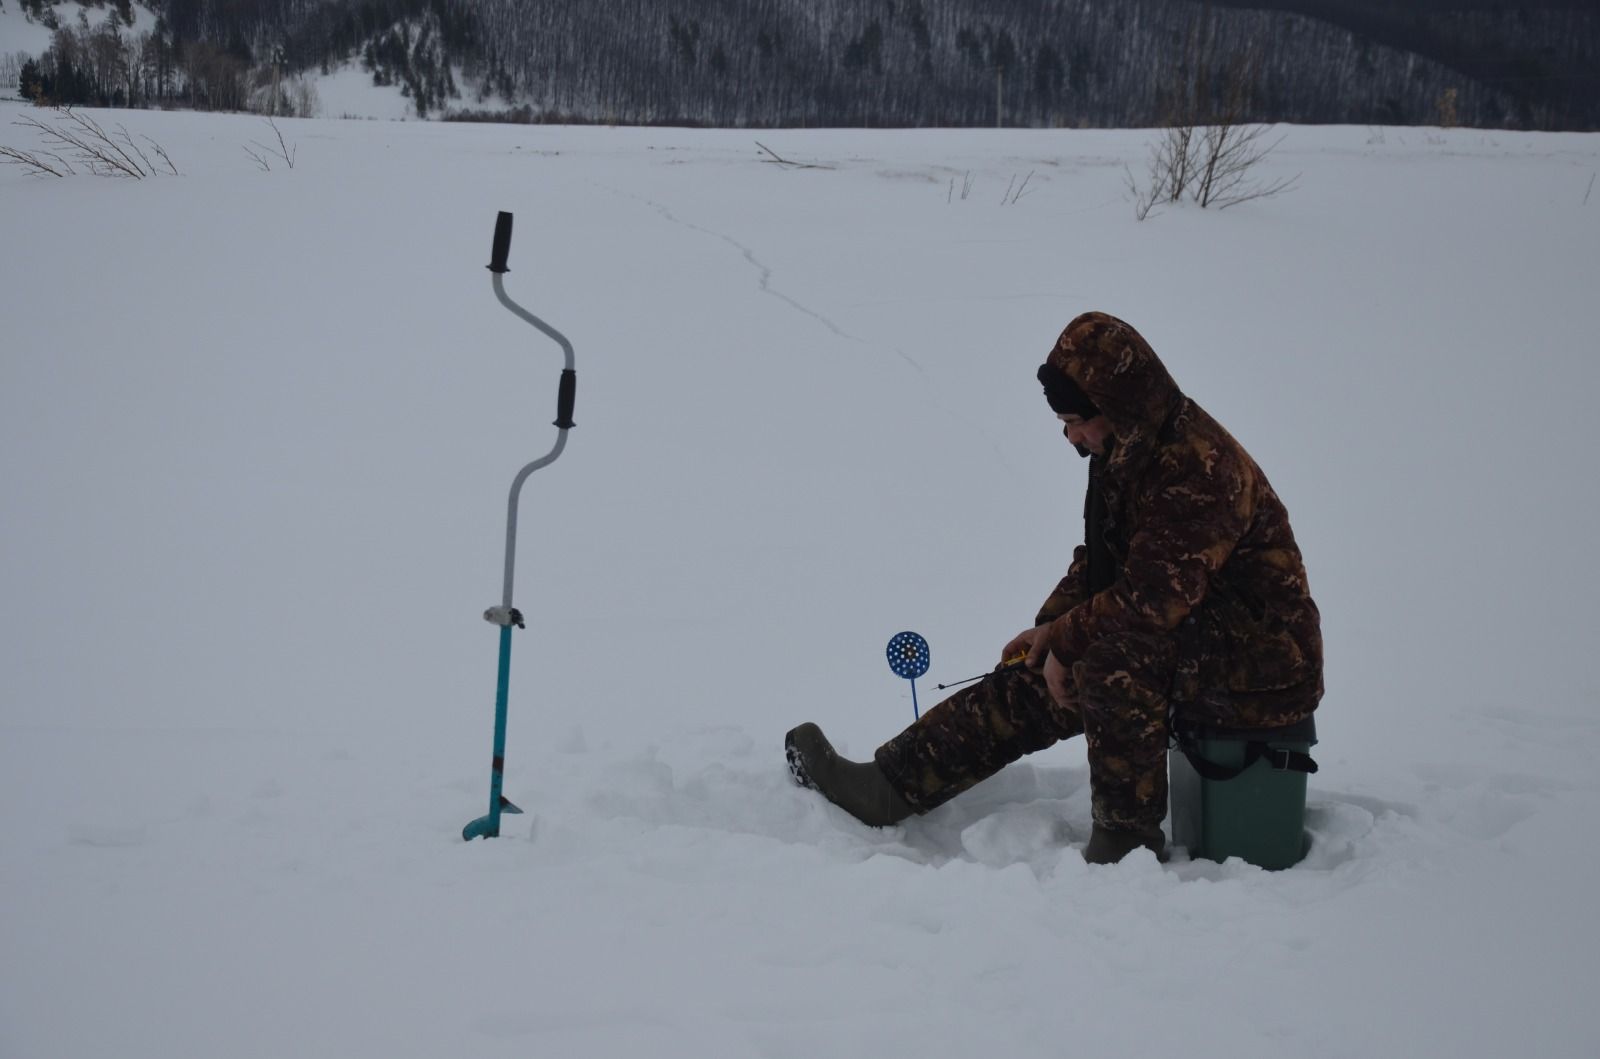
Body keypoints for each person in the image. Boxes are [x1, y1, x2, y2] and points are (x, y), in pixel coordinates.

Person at [786, 311, 1323, 864]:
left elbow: (1149, 601)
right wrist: (1049, 629)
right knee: (1042, 670)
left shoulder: (1199, 469)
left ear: (1116, 406)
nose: (1071, 438)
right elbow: (1105, 559)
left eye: (1075, 421)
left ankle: (1125, 842)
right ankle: (889, 786)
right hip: (1194, 637)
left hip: (1263, 662)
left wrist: (1068, 641)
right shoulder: (1127, 448)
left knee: (1111, 657)